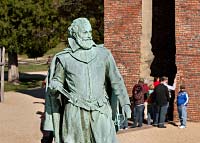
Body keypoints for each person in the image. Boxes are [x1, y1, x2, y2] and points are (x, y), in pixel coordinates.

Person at [42, 18, 131, 143]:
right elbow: (57, 81)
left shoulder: (103, 54)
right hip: (75, 111)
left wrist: (125, 103)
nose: (89, 36)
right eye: (85, 32)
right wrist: (54, 86)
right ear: (75, 34)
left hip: (100, 110)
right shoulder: (64, 58)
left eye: (90, 32)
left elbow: (116, 80)